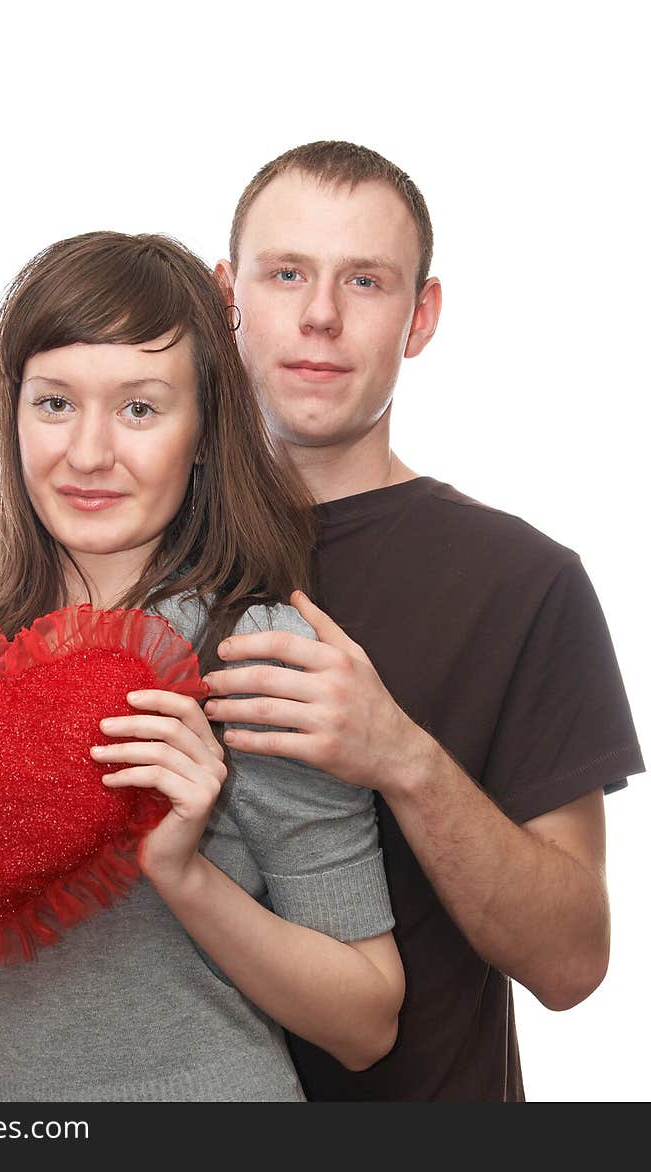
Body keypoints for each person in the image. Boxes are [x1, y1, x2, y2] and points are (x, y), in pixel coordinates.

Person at [0, 230, 404, 1102]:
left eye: (139, 409)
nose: (88, 454)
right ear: (11, 415)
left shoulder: (256, 653)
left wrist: (185, 873)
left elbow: (367, 1023)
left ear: (203, 433)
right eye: (54, 403)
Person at [206, 141, 645, 1101]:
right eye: (287, 274)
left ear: (421, 316)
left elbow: (572, 964)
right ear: (225, 293)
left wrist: (397, 754)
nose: (320, 315)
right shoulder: (129, 552)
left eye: (365, 280)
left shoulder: (524, 582)